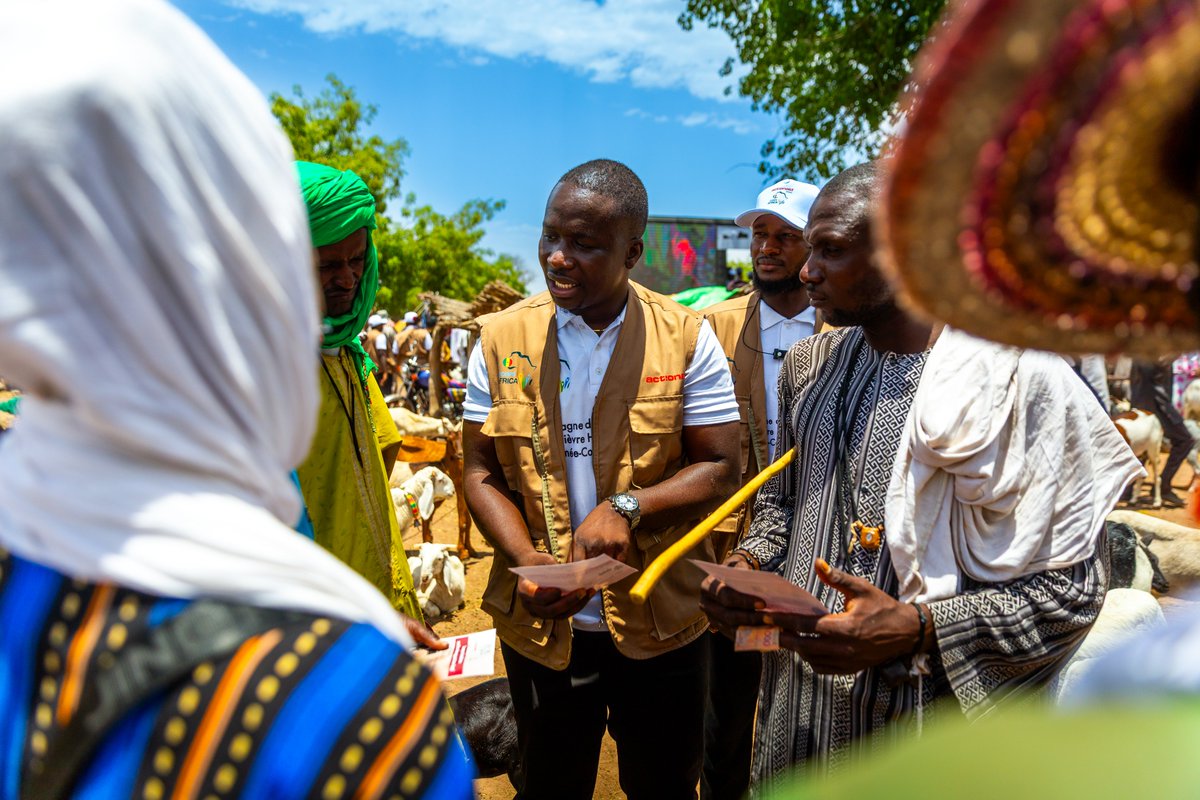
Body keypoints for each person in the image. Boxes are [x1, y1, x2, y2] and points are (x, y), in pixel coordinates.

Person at [0, 2, 471, 797]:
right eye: (301, 268)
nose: (339, 285)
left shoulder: (33, 561)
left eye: (355, 263)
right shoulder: (353, 710)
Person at [701, 162, 1140, 789]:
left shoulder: (1018, 380)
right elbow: (781, 507)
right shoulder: (808, 367)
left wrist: (920, 627)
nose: (806, 270)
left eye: (831, 250)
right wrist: (747, 568)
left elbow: (1072, 591)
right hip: (798, 726)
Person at [462, 159, 742, 799]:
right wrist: (527, 558)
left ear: (633, 252)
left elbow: (723, 468)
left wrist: (629, 506)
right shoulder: (500, 338)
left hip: (660, 623)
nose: (558, 259)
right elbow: (478, 471)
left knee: (666, 784)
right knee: (549, 785)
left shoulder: (685, 337)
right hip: (542, 633)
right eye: (550, 237)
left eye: (584, 244)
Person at [700, 178, 821, 800]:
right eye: (760, 235)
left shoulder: (845, 329)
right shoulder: (710, 329)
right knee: (728, 704)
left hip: (823, 545)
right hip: (736, 548)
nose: (767, 248)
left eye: (786, 236)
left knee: (809, 697)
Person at [294, 162, 424, 622]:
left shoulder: (350, 356)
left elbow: (383, 454)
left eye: (356, 260)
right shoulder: (264, 369)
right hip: (317, 622)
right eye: (328, 264)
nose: (348, 279)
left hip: (385, 602)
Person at [1130, 358, 1192, 507]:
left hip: (1149, 401)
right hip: (1156, 402)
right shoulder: (1151, 345)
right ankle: (1162, 487)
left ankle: (1131, 489)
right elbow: (1154, 366)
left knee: (1143, 448)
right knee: (1185, 440)